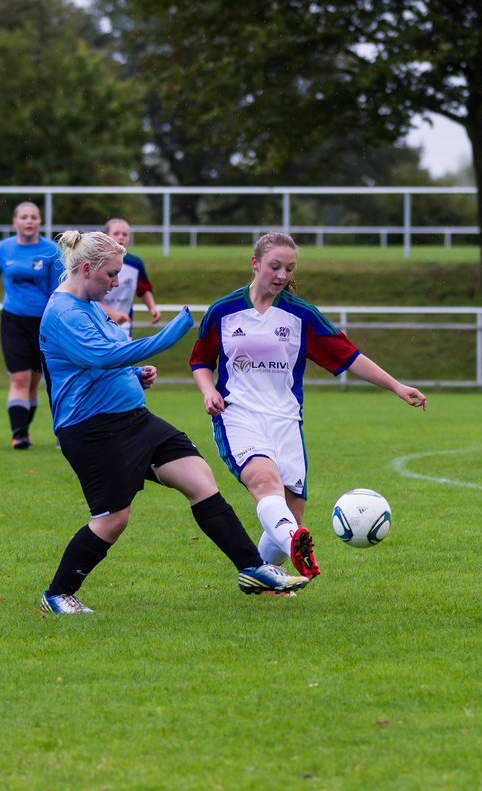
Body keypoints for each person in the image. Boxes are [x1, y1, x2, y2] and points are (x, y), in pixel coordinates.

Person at [38, 229, 309, 614]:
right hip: (93, 429)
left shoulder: (89, 305)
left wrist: (134, 373)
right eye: (112, 274)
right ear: (86, 269)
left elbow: (104, 359)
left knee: (200, 480)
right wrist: (170, 335)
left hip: (134, 419)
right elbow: (101, 357)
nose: (117, 283)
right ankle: (57, 594)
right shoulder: (63, 313)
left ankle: (253, 568)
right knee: (113, 519)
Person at [190, 231, 428, 579]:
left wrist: (395, 385)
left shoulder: (301, 315)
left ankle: (258, 573)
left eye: (289, 268)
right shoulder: (224, 311)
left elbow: (349, 357)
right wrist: (208, 391)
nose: (283, 275)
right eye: (275, 266)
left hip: (286, 420)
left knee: (291, 511)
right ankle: (295, 543)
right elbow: (200, 361)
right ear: (255, 263)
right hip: (237, 413)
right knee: (264, 482)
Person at [0, 202, 61, 449]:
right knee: (19, 378)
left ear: (40, 222)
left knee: (35, 381)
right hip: (13, 320)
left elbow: (57, 289)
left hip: (44, 324)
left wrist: (62, 319)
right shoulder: (2, 249)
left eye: (33, 217)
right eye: (24, 217)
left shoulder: (51, 250)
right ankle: (19, 435)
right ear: (15, 222)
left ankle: (35, 429)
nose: (29, 221)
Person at [100, 217, 161, 338]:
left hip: (123, 325)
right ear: (105, 236)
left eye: (125, 234)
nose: (121, 237)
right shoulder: (96, 262)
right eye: (116, 233)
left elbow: (143, 290)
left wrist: (152, 308)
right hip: (96, 323)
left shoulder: (135, 263)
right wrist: (112, 314)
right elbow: (86, 297)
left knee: (123, 355)